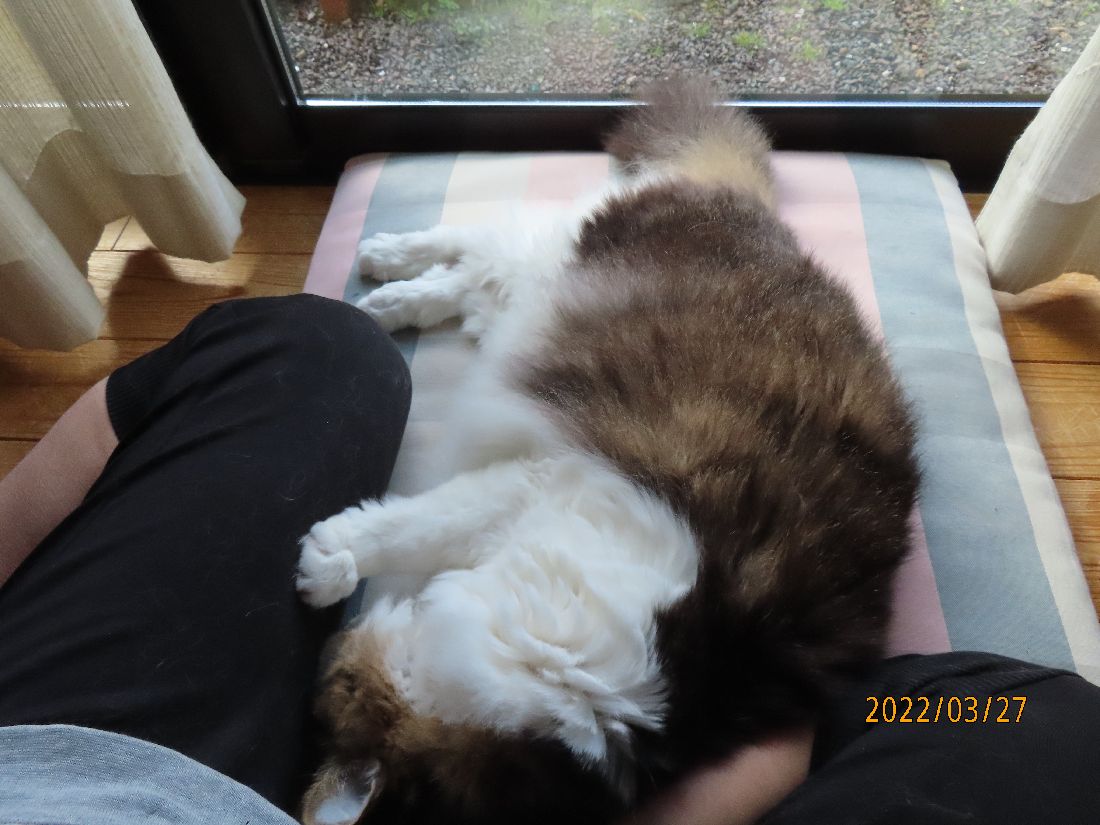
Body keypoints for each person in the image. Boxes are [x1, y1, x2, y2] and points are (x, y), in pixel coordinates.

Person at [1, 295, 1098, 825]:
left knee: (313, 349)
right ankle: (791, 715)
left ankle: (783, 713)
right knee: (1029, 717)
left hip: (58, 771)